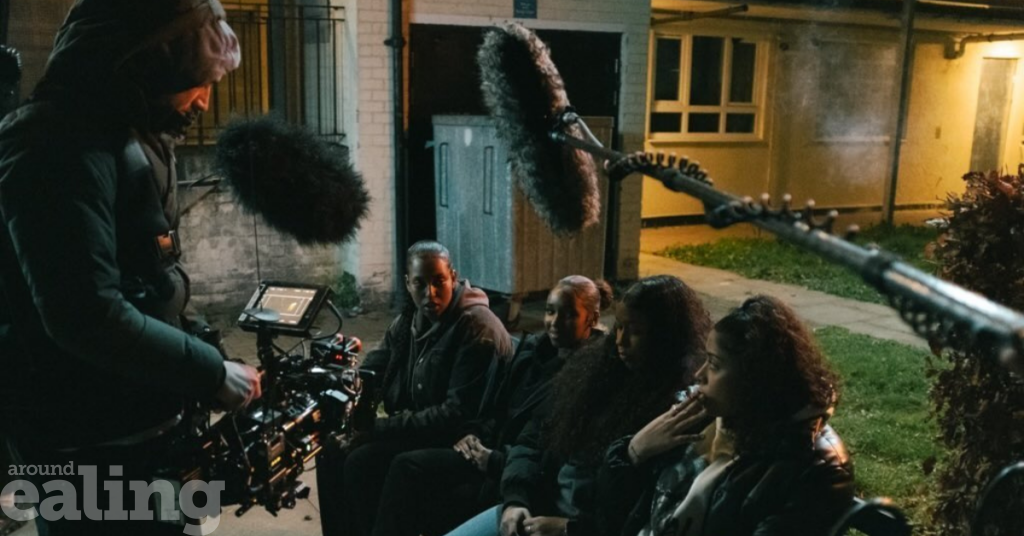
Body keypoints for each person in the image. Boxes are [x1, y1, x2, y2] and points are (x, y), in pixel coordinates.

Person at [0, 1, 260, 534]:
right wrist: (207, 372)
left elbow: (145, 280)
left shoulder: (130, 132)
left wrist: (197, 347)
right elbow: (85, 314)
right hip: (87, 446)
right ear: (146, 68)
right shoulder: (54, 145)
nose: (204, 100)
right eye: (195, 81)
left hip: (142, 427)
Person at [447, 274, 712, 536]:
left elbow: (635, 514)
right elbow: (531, 440)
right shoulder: (594, 373)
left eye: (636, 332)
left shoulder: (674, 409)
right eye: (619, 326)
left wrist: (569, 529)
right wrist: (516, 500)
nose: (621, 340)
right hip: (532, 511)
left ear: (665, 338)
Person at [372, 275, 614, 536]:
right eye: (549, 311)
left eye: (568, 315)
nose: (554, 323)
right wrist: (473, 434)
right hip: (489, 449)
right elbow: (495, 406)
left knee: (408, 469)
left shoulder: (586, 377)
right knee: (377, 462)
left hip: (507, 467)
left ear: (591, 318)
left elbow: (541, 449)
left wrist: (494, 460)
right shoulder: (533, 352)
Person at [597, 295, 854, 536]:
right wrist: (634, 452)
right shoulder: (704, 421)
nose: (699, 375)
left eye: (715, 364)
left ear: (756, 379)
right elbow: (610, 515)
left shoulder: (815, 469)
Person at [316, 240, 514, 536]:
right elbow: (373, 371)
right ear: (408, 284)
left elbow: (454, 413)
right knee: (331, 450)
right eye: (420, 284)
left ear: (454, 277)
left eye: (439, 282)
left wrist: (375, 428)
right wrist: (346, 406)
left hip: (464, 436)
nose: (430, 294)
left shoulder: (476, 327)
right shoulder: (409, 320)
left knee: (373, 462)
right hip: (424, 428)